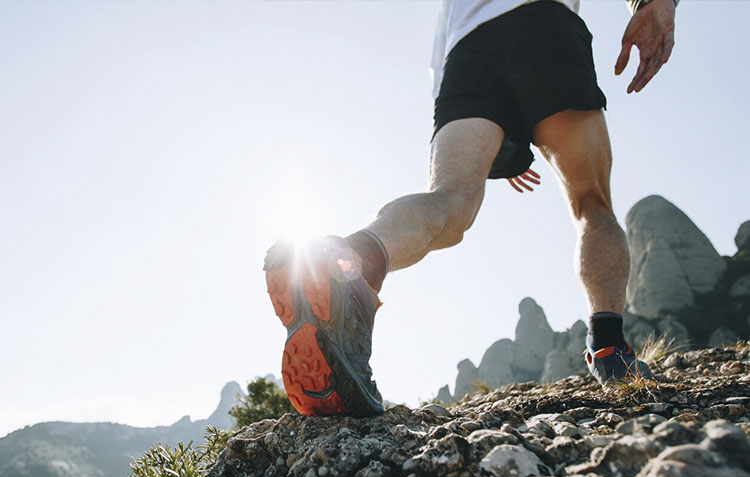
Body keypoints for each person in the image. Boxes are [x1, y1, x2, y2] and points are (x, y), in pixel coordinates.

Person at [264, 0, 678, 416]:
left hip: (467, 52)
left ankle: (345, 259)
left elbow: (440, 53)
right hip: (543, 25)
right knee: (591, 203)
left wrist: (492, 138)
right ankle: (608, 347)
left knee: (450, 201)